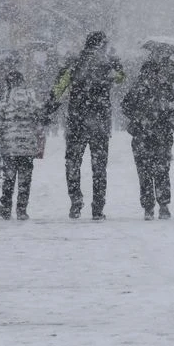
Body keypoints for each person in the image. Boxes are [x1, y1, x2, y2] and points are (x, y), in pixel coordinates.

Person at [49, 31, 124, 220]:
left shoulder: (74, 62)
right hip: (100, 122)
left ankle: (76, 201)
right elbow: (121, 78)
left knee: (73, 162)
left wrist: (51, 104)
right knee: (99, 167)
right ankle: (98, 208)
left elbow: (58, 88)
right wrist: (115, 65)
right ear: (102, 45)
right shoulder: (107, 63)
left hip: (76, 121)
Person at [120, 55, 174, 220]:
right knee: (153, 173)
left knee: (152, 173)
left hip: (151, 136)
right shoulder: (156, 89)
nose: (151, 76)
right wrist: (145, 117)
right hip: (152, 136)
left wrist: (144, 117)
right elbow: (125, 107)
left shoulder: (150, 89)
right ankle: (157, 206)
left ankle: (155, 206)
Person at [0, 70, 47, 220]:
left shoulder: (6, 98)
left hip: (10, 146)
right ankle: (22, 209)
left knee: (8, 178)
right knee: (25, 179)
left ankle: (6, 207)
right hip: (27, 146)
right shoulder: (31, 97)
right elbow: (41, 116)